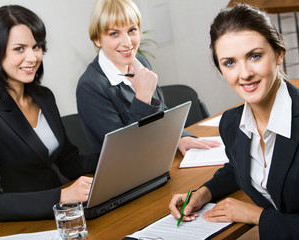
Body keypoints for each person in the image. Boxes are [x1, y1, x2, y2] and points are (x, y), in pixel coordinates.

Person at [169, 4, 299, 239]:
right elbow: (239, 166)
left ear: (279, 53)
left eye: (254, 56)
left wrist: (256, 216)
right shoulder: (231, 123)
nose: (244, 73)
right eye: (230, 63)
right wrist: (203, 193)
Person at [0, 5, 98, 223]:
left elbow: (70, 163)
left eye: (36, 47)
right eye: (19, 49)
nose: (32, 57)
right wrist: (62, 196)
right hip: (22, 226)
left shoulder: (44, 97)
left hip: (64, 216)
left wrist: (114, 157)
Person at [76, 0, 220, 155]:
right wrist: (143, 98)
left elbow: (161, 114)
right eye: (114, 33)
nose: (127, 42)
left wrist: (181, 138)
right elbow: (123, 149)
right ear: (97, 39)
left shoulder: (140, 62)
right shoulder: (90, 86)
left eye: (132, 30)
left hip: (158, 155)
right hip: (128, 172)